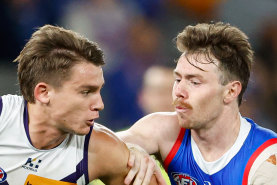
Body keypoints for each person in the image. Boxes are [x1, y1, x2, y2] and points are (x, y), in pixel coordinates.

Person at [0, 25, 165, 185]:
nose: (100, 104)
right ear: (44, 93)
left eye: (99, 91)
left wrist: (127, 150)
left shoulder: (102, 151)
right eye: (86, 92)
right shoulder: (3, 118)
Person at [117, 22, 277, 185]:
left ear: (231, 91)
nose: (179, 91)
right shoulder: (165, 128)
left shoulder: (266, 159)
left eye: (194, 82)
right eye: (178, 79)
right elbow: (98, 145)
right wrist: (129, 150)